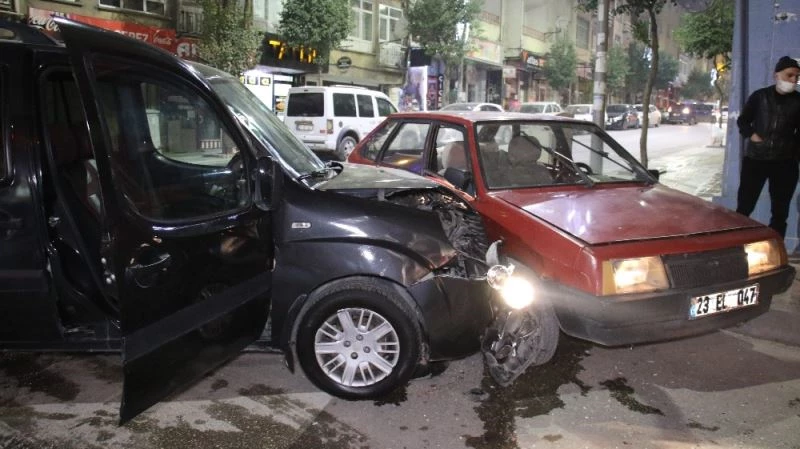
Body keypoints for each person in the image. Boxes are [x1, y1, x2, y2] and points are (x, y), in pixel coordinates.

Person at [736, 55, 800, 238]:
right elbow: (743, 121)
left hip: (785, 163)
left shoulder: (798, 101)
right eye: (790, 75)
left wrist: (794, 154)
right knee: (744, 207)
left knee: (780, 212)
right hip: (755, 160)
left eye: (797, 77)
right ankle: (738, 245)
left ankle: (775, 249)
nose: (794, 80)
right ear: (777, 75)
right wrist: (752, 135)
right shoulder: (760, 96)